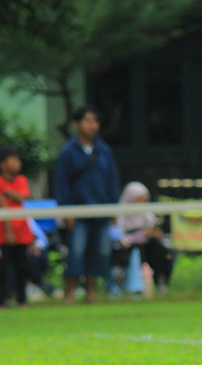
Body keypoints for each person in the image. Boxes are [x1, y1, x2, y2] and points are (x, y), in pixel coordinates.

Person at [54, 105, 120, 304]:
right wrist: (67, 210)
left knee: (100, 252)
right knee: (76, 251)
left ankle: (91, 293)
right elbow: (61, 182)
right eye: (87, 121)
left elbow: (112, 180)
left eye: (95, 121)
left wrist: (114, 207)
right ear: (76, 124)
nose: (92, 126)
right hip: (78, 209)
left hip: (101, 209)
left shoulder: (104, 150)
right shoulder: (68, 152)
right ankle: (70, 294)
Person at [0, 145, 33, 308]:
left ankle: (22, 300)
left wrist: (9, 193)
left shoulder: (21, 179)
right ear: (2, 164)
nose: (17, 163)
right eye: (13, 160)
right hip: (3, 232)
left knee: (22, 267)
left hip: (22, 230)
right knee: (2, 267)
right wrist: (9, 230)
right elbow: (2, 203)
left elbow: (22, 197)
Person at [115, 181, 173, 294]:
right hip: (131, 247)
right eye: (138, 199)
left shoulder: (146, 213)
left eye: (143, 200)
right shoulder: (121, 213)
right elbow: (120, 237)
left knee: (161, 250)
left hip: (148, 244)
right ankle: (135, 287)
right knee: (138, 252)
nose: (141, 203)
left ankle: (160, 282)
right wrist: (141, 235)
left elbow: (154, 227)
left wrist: (154, 233)